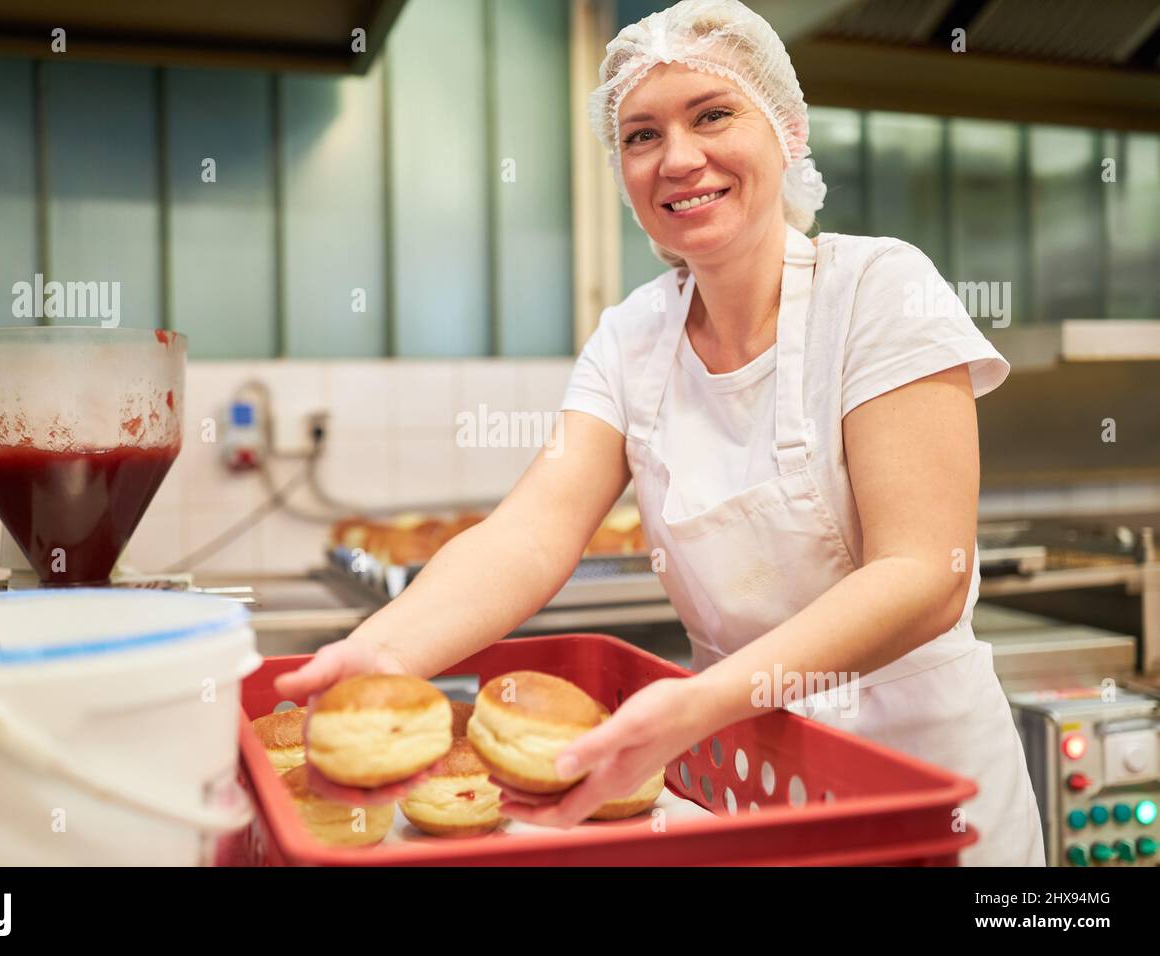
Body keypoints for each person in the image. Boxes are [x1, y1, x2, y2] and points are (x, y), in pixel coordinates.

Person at [278, 0, 1045, 865]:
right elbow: (530, 537)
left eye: (712, 114)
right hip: (743, 784)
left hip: (927, 792)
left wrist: (705, 699)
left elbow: (921, 574)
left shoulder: (880, 291)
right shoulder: (632, 339)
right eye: (641, 136)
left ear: (787, 132)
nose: (679, 158)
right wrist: (378, 654)